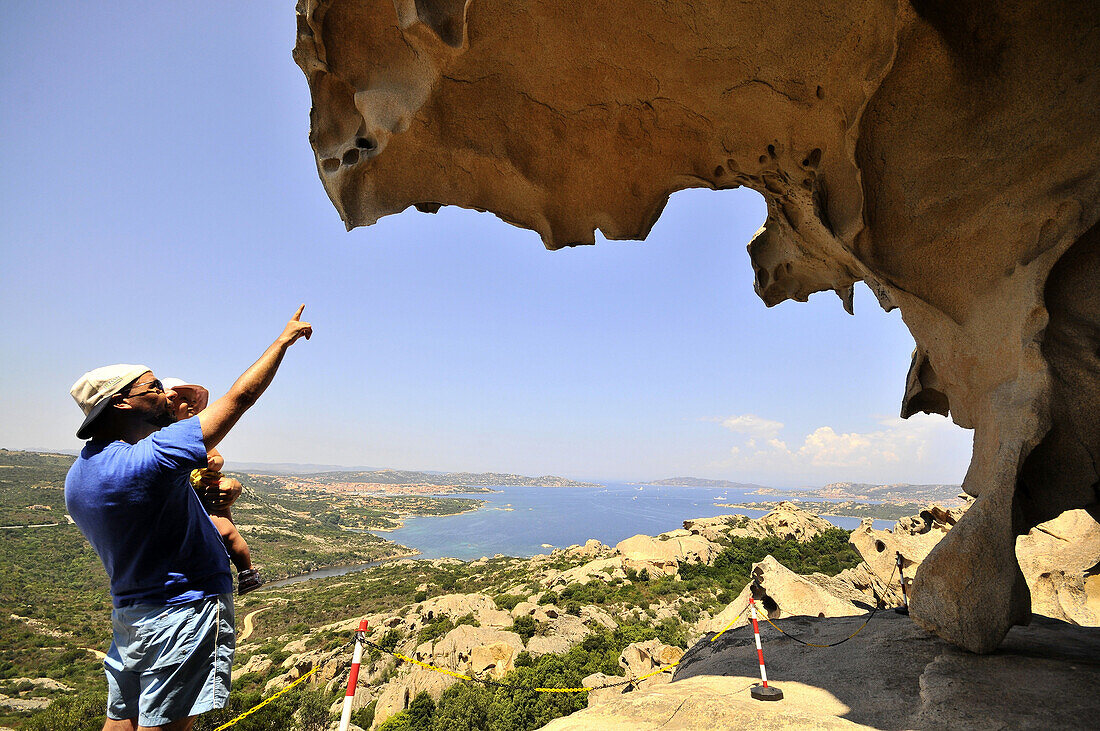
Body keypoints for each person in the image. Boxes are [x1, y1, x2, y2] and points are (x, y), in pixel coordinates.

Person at [65, 306, 312, 731]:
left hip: (131, 613)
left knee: (120, 721)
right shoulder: (150, 460)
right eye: (155, 387)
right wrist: (282, 342)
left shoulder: (79, 476)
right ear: (124, 402)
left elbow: (158, 517)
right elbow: (240, 400)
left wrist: (218, 501)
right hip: (184, 610)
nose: (166, 393)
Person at [162, 378, 262, 595]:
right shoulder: (156, 443)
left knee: (226, 531)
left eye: (192, 401)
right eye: (183, 400)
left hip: (205, 492)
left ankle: (247, 571)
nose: (190, 405)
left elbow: (217, 458)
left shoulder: (198, 438)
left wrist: (211, 463)